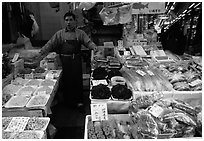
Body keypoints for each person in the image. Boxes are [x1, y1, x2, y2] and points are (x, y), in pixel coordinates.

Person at [36, 12, 99, 111]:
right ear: (64, 22)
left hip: (77, 61)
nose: (68, 22)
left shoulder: (80, 33)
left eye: (71, 20)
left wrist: (94, 47)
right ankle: (68, 103)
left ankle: (79, 102)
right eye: (66, 20)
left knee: (77, 81)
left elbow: (88, 42)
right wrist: (41, 52)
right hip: (64, 61)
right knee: (66, 82)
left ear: (75, 21)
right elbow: (50, 44)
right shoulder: (59, 34)